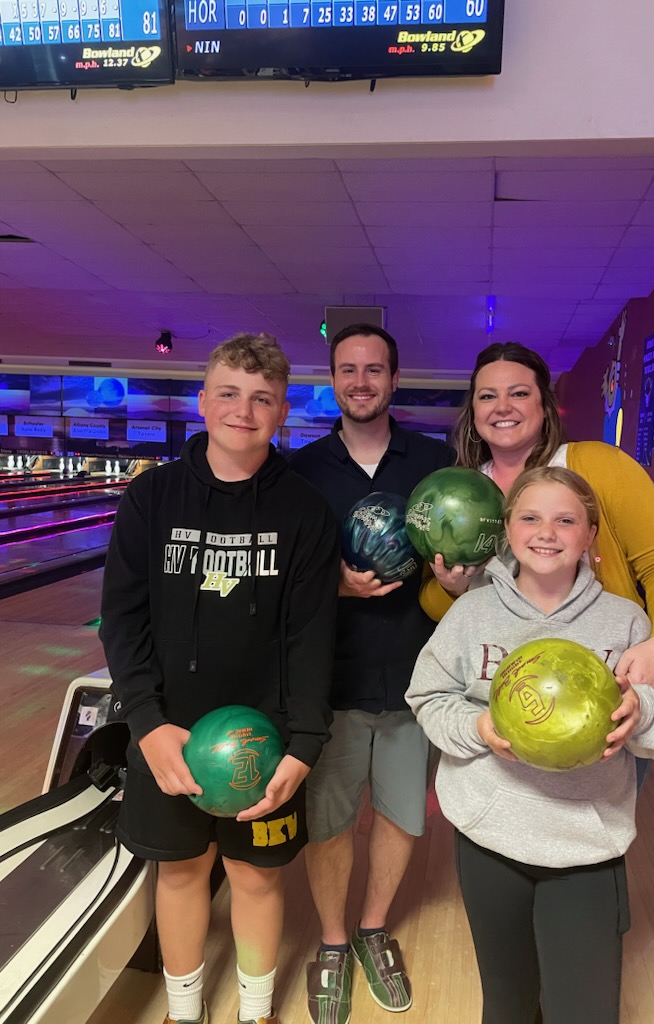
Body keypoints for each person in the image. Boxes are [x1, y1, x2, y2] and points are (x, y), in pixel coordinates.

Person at [99, 333, 339, 1024]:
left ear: (282, 411)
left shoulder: (304, 512)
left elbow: (311, 635)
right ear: (203, 401)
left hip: (264, 737)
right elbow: (123, 619)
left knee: (258, 875)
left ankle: (256, 1011)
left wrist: (304, 743)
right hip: (167, 731)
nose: (244, 409)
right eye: (228, 393)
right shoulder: (152, 499)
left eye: (262, 398)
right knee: (178, 871)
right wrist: (144, 723)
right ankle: (182, 1011)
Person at [406, 466, 654, 1024]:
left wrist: (641, 714)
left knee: (582, 1010)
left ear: (589, 537)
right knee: (506, 1004)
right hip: (489, 840)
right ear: (507, 530)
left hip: (585, 847)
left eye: (566, 520)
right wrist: (478, 730)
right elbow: (428, 696)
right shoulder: (471, 612)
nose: (546, 531)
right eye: (530, 517)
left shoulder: (627, 623)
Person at [289, 323, 455, 1024]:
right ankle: (332, 942)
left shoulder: (434, 461)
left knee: (400, 817)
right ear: (334, 380)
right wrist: (336, 585)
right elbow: (283, 576)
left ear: (394, 379)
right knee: (327, 822)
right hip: (327, 679)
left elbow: (461, 557)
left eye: (374, 369)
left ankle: (372, 928)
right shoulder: (299, 470)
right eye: (348, 369)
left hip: (416, 677)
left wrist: (458, 574)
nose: (361, 381)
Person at [421, 341, 654, 693]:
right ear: (473, 414)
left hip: (602, 683)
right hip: (495, 688)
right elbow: (430, 602)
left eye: (519, 393)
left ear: (544, 407)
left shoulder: (599, 466)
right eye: (488, 396)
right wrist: (452, 588)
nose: (503, 406)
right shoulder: (459, 495)